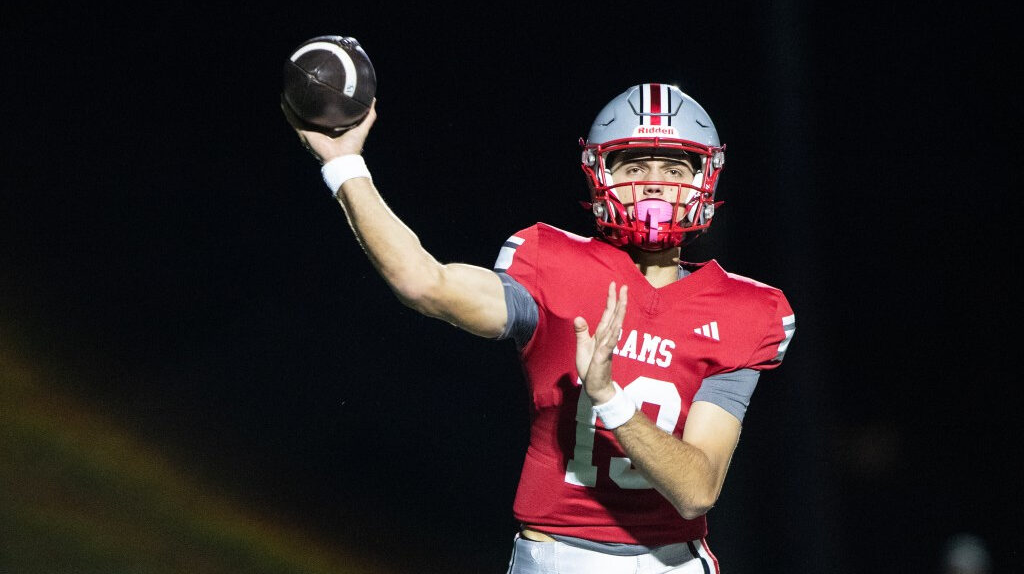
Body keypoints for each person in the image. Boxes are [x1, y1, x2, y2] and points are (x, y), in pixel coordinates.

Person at [284, 82, 795, 573]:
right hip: (558, 558)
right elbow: (424, 282)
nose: (655, 181)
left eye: (674, 167)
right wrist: (343, 163)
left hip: (672, 562)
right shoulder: (552, 264)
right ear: (602, 177)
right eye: (635, 165)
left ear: (704, 180)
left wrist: (609, 399)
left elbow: (696, 491)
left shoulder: (744, 310)